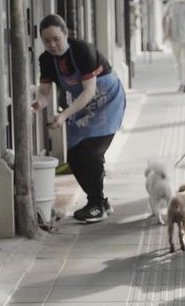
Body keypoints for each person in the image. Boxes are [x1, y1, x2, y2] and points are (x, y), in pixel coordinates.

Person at [31, 14, 126, 223]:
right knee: (73, 154)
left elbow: (89, 91)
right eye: (47, 41)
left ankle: (95, 204)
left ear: (65, 34)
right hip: (81, 106)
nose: (52, 44)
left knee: (91, 150)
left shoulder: (83, 51)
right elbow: (45, 91)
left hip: (106, 101)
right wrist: (39, 103)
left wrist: (64, 115)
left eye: (56, 38)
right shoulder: (46, 60)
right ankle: (101, 202)